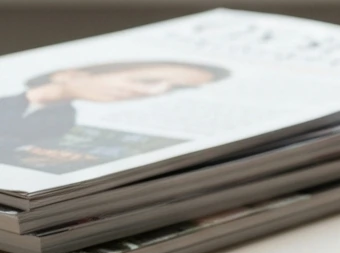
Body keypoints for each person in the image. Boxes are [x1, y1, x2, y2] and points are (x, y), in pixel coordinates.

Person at [0, 61, 230, 156]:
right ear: (68, 74)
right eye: (148, 81)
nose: (155, 92)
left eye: (173, 89)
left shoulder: (64, 121)